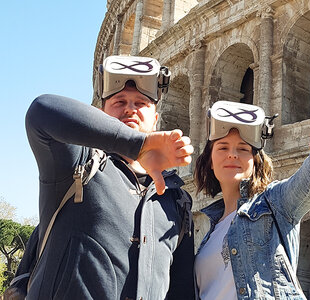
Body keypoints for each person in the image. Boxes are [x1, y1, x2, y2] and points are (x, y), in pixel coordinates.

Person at [11, 55, 195, 300]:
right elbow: (41, 111)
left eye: (141, 103)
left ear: (156, 120)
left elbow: (181, 292)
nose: (130, 108)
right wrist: (138, 145)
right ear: (99, 115)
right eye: (119, 102)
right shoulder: (77, 164)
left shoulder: (177, 201)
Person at [194, 100, 310, 300]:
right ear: (210, 161)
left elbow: (305, 186)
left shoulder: (273, 204)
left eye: (243, 149)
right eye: (223, 148)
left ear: (255, 162)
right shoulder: (208, 230)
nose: (232, 155)